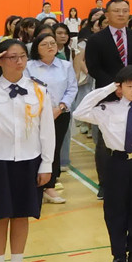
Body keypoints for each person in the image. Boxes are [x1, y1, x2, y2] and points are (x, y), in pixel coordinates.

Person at [0, 40, 55, 262]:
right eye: (12, 57)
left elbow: (47, 130)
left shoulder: (39, 90)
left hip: (29, 160)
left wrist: (47, 164)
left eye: (22, 56)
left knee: (21, 214)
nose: (19, 61)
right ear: (0, 60)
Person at [73, 68, 132, 262]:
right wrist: (107, 89)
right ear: (120, 87)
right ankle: (119, 254)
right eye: (129, 86)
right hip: (116, 162)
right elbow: (79, 112)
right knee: (115, 209)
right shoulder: (107, 109)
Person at [83, 0, 132, 200]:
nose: (121, 14)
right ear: (107, 15)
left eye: (125, 10)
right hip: (109, 95)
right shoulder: (96, 40)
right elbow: (94, 67)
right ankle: (105, 183)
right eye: (116, 11)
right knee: (105, 142)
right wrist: (116, 86)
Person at [27, 33, 77, 206]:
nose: (50, 47)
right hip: (34, 115)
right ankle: (32, 186)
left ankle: (49, 186)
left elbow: (72, 88)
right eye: (45, 44)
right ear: (36, 48)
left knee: (53, 149)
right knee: (35, 148)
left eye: (52, 43)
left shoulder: (65, 65)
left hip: (59, 113)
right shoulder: (29, 66)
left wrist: (61, 107)